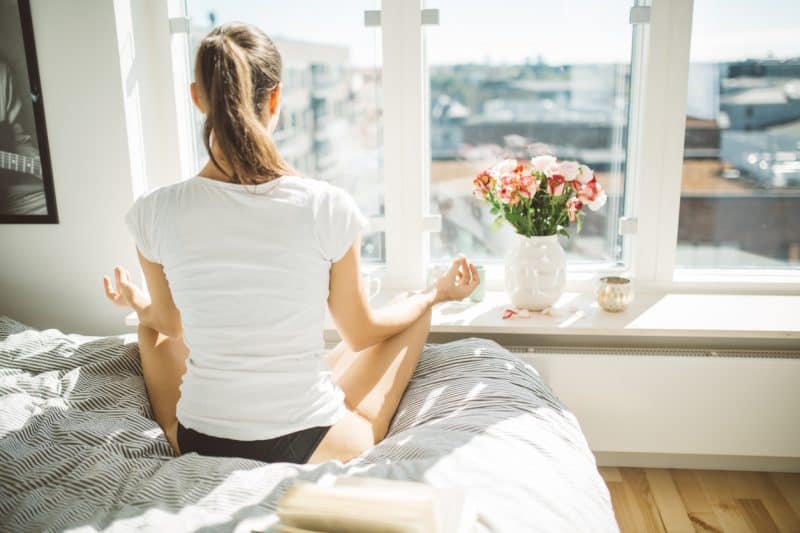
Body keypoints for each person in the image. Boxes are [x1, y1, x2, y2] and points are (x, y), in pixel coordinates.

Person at [102, 22, 480, 464]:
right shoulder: (325, 205)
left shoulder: (153, 212)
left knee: (149, 327)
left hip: (199, 438)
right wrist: (436, 293)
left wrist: (137, 300)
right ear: (276, 98)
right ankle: (432, 296)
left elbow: (169, 323)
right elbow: (360, 334)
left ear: (197, 97)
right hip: (311, 443)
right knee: (414, 309)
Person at [0, 59, 46, 215]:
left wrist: (40, 165)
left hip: (9, 191)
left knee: (59, 204)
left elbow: (18, 140)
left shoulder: (2, 72)